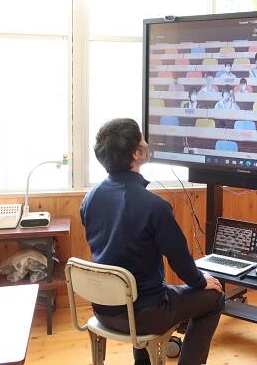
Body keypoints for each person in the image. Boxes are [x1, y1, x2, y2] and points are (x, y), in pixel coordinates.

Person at [80, 118, 224, 365]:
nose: (147, 142)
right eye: (142, 138)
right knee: (215, 298)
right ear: (137, 153)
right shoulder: (155, 207)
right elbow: (181, 263)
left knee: (145, 291)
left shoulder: (90, 198)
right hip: (145, 316)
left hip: (103, 310)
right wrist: (202, 281)